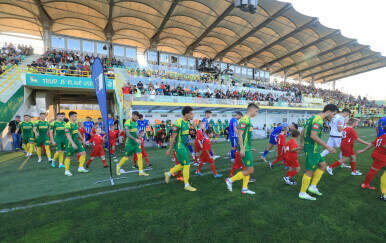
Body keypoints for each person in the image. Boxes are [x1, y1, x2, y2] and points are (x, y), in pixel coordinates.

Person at [298, 104, 339, 201]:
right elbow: (313, 136)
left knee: (323, 166)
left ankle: (312, 187)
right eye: (333, 114)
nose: (333, 117)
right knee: (310, 171)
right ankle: (302, 192)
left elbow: (303, 131)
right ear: (328, 111)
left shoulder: (312, 118)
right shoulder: (318, 121)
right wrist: (328, 146)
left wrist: (301, 143)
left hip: (313, 148)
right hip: (312, 149)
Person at [225, 103, 259, 194]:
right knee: (250, 170)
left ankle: (244, 188)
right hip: (245, 149)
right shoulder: (244, 120)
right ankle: (230, 180)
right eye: (256, 111)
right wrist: (242, 149)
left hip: (247, 148)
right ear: (251, 110)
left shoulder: (248, 120)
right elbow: (239, 134)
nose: (257, 113)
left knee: (246, 170)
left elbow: (245, 136)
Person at [165, 106, 196, 191]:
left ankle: (168, 173)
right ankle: (186, 185)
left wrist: (188, 141)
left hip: (184, 145)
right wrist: (170, 149)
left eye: (193, 113)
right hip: (179, 146)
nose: (192, 115)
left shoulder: (187, 123)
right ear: (185, 114)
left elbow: (184, 134)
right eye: (191, 114)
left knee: (182, 164)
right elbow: (173, 137)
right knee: (187, 165)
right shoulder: (178, 123)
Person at [116, 111, 149, 176]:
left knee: (140, 156)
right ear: (132, 115)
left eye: (138, 118)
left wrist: (138, 138)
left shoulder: (136, 123)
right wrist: (136, 139)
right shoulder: (127, 123)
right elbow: (127, 134)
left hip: (136, 143)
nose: (137, 119)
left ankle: (141, 172)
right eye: (136, 118)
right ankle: (118, 167)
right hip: (129, 144)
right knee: (126, 157)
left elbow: (136, 132)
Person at [357, 127, 386, 201]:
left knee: (374, 169)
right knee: (374, 170)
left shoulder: (381, 136)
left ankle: (365, 184)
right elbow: (384, 145)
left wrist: (363, 150)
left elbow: (372, 144)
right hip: (381, 156)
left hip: (376, 154)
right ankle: (365, 184)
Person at [64, 111, 88, 176]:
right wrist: (72, 143)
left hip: (77, 141)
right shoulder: (67, 125)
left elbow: (78, 132)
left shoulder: (75, 124)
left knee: (83, 153)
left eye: (76, 116)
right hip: (70, 143)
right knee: (68, 157)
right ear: (71, 117)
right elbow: (67, 134)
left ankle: (80, 167)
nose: (76, 117)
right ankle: (66, 171)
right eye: (75, 116)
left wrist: (83, 140)